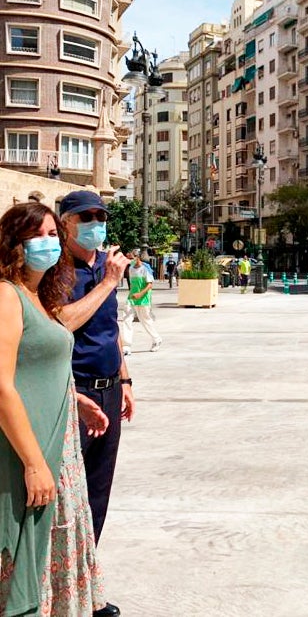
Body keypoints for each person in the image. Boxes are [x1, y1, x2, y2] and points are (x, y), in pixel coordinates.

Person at [0, 202, 117, 616]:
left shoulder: (38, 296)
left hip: (60, 436)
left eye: (53, 235)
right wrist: (33, 463)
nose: (49, 244)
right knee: (22, 549)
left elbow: (41, 365)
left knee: (50, 539)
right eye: (38, 235)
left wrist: (77, 400)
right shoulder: (7, 295)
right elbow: (2, 385)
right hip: (28, 446)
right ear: (14, 243)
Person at [57, 190, 133, 547]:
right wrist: (107, 284)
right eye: (85, 217)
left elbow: (110, 327)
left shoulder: (106, 265)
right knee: (65, 491)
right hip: (73, 391)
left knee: (98, 490)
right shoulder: (56, 269)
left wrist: (125, 378)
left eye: (100, 217)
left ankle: (88, 583)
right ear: (65, 223)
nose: (95, 224)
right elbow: (63, 323)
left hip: (109, 388)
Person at [122, 249, 162, 355]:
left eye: (131, 258)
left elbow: (149, 285)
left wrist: (140, 294)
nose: (130, 260)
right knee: (126, 319)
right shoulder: (130, 268)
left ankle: (157, 339)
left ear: (137, 257)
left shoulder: (145, 269)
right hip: (131, 298)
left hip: (143, 299)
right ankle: (126, 345)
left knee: (145, 321)